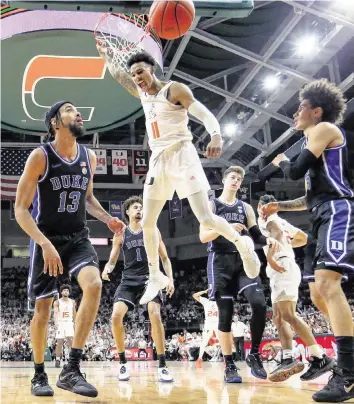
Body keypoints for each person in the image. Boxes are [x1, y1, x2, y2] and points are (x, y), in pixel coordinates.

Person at [97, 46, 261, 305]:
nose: (138, 78)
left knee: (205, 217)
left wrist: (216, 134)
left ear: (152, 69)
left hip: (183, 156)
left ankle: (242, 245)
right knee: (148, 222)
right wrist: (107, 58)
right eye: (135, 74)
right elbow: (121, 77)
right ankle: (154, 276)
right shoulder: (142, 92)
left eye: (141, 72)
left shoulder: (174, 90)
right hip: (159, 160)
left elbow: (203, 112)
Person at [15, 101, 124, 398]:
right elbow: (21, 210)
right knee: (42, 310)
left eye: (78, 111)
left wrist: (107, 219)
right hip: (46, 238)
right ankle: (39, 374)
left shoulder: (89, 156)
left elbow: (88, 198)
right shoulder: (40, 156)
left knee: (94, 284)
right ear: (55, 122)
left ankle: (71, 369)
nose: (78, 114)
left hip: (77, 237)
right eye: (69, 110)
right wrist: (45, 244)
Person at [261, 79, 354, 402]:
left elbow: (294, 171)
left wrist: (279, 161)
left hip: (339, 210)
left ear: (317, 111)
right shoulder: (314, 138)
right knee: (317, 294)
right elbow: (307, 197)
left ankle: (349, 374)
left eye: (301, 107)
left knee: (329, 285)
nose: (295, 113)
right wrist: (280, 206)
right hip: (321, 211)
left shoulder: (324, 129)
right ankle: (336, 356)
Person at [199, 165, 281, 383]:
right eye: (232, 177)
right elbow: (203, 236)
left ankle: (254, 354)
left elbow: (255, 234)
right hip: (220, 261)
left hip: (244, 260)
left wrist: (268, 240)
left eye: (239, 179)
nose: (235, 181)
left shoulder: (245, 207)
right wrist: (226, 228)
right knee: (225, 315)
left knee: (260, 304)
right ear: (224, 181)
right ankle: (229, 365)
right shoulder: (212, 204)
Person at [258, 194, 334, 383]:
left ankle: (320, 357)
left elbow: (275, 235)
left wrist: (272, 257)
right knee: (278, 317)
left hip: (282, 266)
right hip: (281, 268)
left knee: (288, 315)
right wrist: (288, 244)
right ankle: (287, 358)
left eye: (265, 206)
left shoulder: (271, 220)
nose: (263, 209)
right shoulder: (282, 221)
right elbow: (303, 238)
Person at [102, 196, 174, 382]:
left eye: (141, 207)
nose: (139, 210)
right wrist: (106, 270)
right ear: (127, 212)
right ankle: (123, 362)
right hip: (128, 280)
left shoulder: (152, 230)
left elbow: (165, 258)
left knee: (154, 314)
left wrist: (170, 279)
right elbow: (113, 258)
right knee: (116, 316)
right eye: (135, 207)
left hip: (149, 279)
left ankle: (162, 365)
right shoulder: (121, 233)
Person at [192, 289, 219, 363]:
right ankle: (199, 359)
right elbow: (194, 295)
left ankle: (227, 360)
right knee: (204, 341)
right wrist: (204, 291)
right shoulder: (206, 301)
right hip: (208, 323)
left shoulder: (220, 301)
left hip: (217, 323)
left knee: (222, 341)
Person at [53, 284, 76, 368]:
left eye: (67, 290)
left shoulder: (72, 302)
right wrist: (55, 322)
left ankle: (71, 360)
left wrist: (75, 322)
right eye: (64, 290)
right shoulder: (57, 302)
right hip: (61, 322)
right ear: (61, 292)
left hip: (69, 322)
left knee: (71, 341)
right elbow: (55, 312)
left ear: (69, 292)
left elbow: (74, 312)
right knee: (59, 342)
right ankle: (58, 359)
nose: (66, 291)